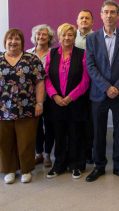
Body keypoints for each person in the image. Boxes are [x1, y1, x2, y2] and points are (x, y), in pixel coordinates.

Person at [0, 28, 46, 184]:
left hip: (28, 109)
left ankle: (26, 170)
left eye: (17, 39)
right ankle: (9, 170)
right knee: (4, 142)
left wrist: (39, 103)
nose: (13, 42)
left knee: (27, 141)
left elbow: (39, 82)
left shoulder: (32, 60)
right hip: (0, 110)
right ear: (5, 41)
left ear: (22, 42)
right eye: (10, 38)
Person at [85, 0, 119, 182]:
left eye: (113, 12)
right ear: (101, 14)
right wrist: (106, 87)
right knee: (99, 132)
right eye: (106, 12)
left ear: (118, 15)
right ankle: (99, 166)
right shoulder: (92, 38)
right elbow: (90, 65)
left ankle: (118, 166)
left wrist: (117, 87)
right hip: (99, 93)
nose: (109, 15)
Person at [45, 23, 90, 179]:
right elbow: (47, 78)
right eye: (64, 34)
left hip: (76, 102)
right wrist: (55, 96)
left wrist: (71, 97)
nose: (67, 37)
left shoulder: (82, 54)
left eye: (70, 34)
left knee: (75, 134)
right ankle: (58, 165)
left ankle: (76, 165)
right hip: (56, 103)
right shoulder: (51, 54)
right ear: (59, 37)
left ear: (75, 37)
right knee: (59, 134)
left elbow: (85, 79)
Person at [27, 24, 56, 168]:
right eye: (38, 34)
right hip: (31, 97)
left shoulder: (55, 54)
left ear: (50, 38)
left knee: (49, 125)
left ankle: (47, 154)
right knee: (36, 126)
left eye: (44, 34)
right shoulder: (27, 54)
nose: (41, 37)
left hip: (50, 96)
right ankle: (38, 153)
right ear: (34, 37)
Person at [75, 9, 95, 164]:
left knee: (89, 119)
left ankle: (88, 150)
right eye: (81, 18)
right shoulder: (70, 36)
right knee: (75, 117)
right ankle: (74, 149)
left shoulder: (97, 37)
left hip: (93, 83)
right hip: (73, 84)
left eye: (87, 18)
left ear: (92, 22)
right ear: (77, 21)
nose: (84, 20)